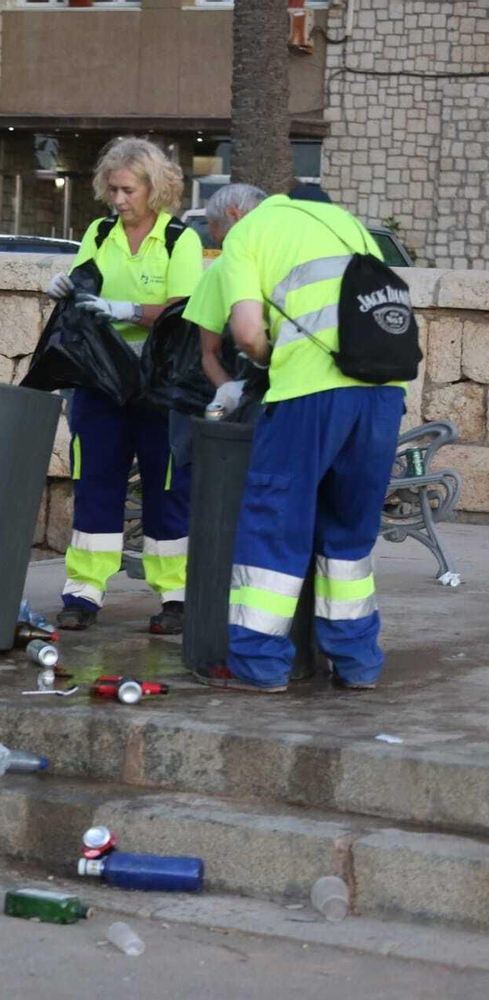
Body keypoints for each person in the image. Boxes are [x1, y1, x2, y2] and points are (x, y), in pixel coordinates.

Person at [197, 191, 407, 693]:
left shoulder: (248, 235)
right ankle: (358, 662)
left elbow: (247, 333)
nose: (221, 250)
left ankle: (259, 666)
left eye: (218, 240)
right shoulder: (342, 220)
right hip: (381, 393)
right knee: (349, 533)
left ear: (232, 216)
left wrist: (270, 362)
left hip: (310, 396)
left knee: (274, 524)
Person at [43, 137, 205, 635]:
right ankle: (84, 593)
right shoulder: (99, 231)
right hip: (102, 380)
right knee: (95, 482)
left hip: (162, 384)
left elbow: (183, 311)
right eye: (112, 189)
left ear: (154, 189)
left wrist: (128, 310)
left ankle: (175, 596)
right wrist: (68, 288)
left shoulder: (181, 240)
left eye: (128, 190)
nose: (118, 200)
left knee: (168, 486)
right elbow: (84, 284)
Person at [183, 183, 267, 409]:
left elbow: (208, 352)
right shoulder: (220, 271)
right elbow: (208, 353)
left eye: (223, 241)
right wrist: (231, 393)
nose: (225, 250)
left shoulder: (229, 267)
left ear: (233, 215)